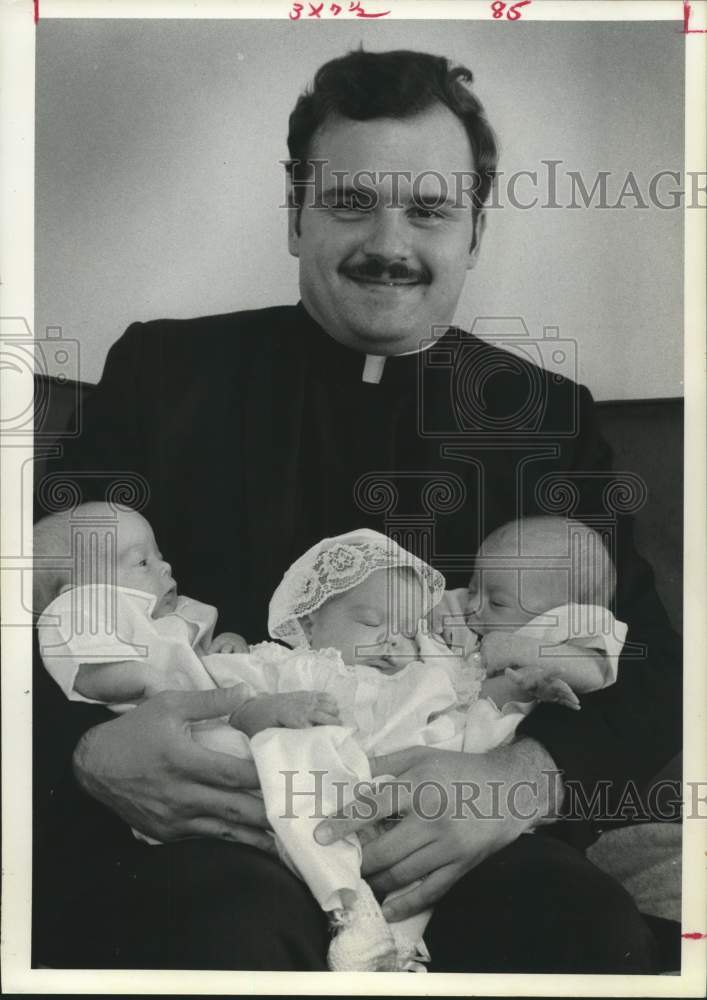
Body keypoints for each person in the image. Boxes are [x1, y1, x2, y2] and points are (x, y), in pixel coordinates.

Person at [33, 48, 681, 972]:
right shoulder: (160, 375)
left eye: (428, 208)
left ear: (475, 229)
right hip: (200, 842)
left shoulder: (543, 418)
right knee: (222, 935)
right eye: (349, 202)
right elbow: (31, 595)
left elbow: (647, 661)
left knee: (579, 930)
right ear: (295, 214)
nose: (389, 243)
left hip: (444, 842)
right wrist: (85, 751)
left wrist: (516, 783)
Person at [35, 510, 626, 971]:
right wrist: (86, 745)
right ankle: (360, 925)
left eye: (406, 629)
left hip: (446, 805)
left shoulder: (432, 660)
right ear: (309, 620)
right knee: (225, 922)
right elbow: (206, 694)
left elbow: (478, 712)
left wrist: (526, 758)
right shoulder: (289, 662)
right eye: (374, 626)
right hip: (250, 821)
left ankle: (392, 945)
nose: (468, 609)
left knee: (573, 913)